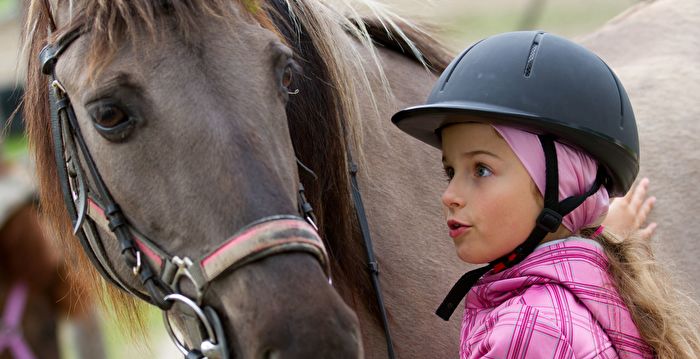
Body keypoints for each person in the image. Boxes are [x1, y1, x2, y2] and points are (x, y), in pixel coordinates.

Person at [392, 31, 700, 358]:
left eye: (481, 169)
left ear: (561, 185)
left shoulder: (529, 331)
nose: (449, 195)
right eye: (450, 172)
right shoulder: (596, 293)